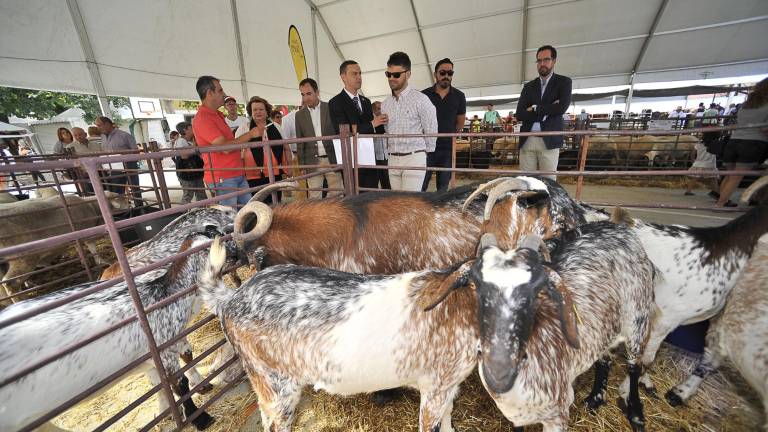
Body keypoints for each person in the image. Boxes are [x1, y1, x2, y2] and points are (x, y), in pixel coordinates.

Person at [192, 75, 260, 208]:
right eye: (220, 91)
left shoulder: (217, 115)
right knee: (229, 219)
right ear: (209, 93)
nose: (224, 94)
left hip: (235, 173)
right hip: (223, 177)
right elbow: (225, 147)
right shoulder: (203, 119)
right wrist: (251, 134)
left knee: (248, 213)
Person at [380, 51, 437, 191]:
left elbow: (431, 130)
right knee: (397, 203)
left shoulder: (421, 100)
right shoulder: (385, 104)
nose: (391, 78)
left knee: (410, 204)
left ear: (408, 74)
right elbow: (387, 131)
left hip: (414, 158)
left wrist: (422, 154)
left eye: (396, 75)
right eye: (388, 74)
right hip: (393, 158)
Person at [515, 44, 572, 181]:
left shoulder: (563, 82)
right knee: (525, 182)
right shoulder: (529, 86)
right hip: (528, 140)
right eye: (539, 61)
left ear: (554, 61)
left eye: (546, 59)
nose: (542, 64)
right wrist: (548, 109)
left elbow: (561, 108)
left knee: (549, 182)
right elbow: (520, 114)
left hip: (549, 140)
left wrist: (534, 108)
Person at [328, 59, 387, 191]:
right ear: (343, 77)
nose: (359, 77)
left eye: (360, 73)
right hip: (351, 159)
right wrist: (373, 123)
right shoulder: (335, 102)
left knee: (371, 195)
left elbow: (371, 128)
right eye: (354, 74)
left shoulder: (366, 101)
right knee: (355, 197)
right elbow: (344, 130)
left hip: (370, 156)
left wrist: (383, 120)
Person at [716, 78, 768, 208]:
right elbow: (764, 129)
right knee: (736, 177)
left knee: (729, 175)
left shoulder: (746, 105)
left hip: (734, 141)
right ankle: (720, 204)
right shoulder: (766, 105)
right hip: (753, 143)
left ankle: (722, 200)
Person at [235, 95, 290, 204]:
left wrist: (289, 167)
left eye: (261, 109)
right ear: (251, 112)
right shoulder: (243, 128)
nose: (258, 112)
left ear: (266, 111)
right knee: (257, 204)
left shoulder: (276, 127)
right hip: (252, 176)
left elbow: (286, 147)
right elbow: (236, 150)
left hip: (274, 173)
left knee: (275, 202)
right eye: (255, 110)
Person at [421, 58, 466, 191]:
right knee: (421, 184)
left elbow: (460, 123)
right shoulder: (423, 95)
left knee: (443, 187)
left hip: (447, 148)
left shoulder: (459, 96)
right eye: (442, 72)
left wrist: (447, 134)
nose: (446, 76)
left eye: (450, 73)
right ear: (435, 74)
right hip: (426, 147)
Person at [295, 78, 343, 198]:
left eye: (309, 93)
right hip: (312, 162)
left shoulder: (330, 108)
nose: (305, 98)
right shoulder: (299, 115)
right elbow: (300, 141)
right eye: (303, 94)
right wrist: (302, 165)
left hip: (332, 159)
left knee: (337, 194)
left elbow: (339, 133)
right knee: (314, 197)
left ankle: (333, 215)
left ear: (317, 92)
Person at [96, 116, 143, 207]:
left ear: (107, 124)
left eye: (99, 125)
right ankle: (122, 209)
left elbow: (135, 150)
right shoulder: (103, 137)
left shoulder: (124, 135)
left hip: (129, 165)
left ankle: (140, 207)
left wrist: (124, 156)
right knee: (117, 189)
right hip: (114, 167)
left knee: (134, 187)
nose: (98, 128)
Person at [172, 122, 207, 204]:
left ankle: (201, 212)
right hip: (187, 174)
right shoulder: (181, 141)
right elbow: (184, 155)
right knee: (188, 196)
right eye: (191, 128)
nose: (193, 130)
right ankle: (182, 213)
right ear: (185, 130)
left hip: (194, 173)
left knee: (201, 194)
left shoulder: (188, 141)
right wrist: (194, 147)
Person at [372, 101, 391, 189]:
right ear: (373, 109)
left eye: (381, 108)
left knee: (388, 178)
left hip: (387, 154)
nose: (381, 111)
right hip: (375, 155)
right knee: (378, 178)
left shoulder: (385, 118)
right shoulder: (371, 121)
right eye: (379, 108)